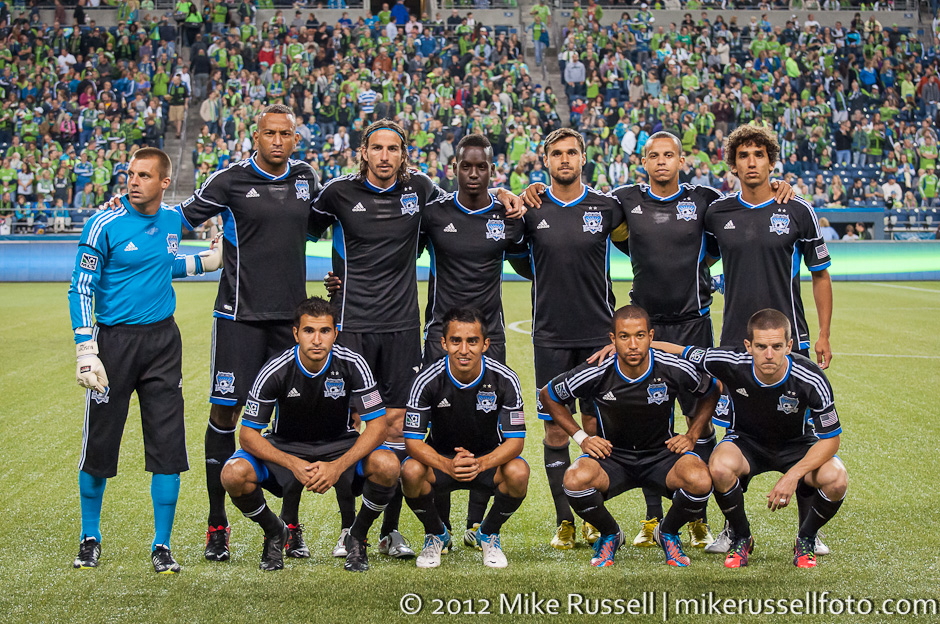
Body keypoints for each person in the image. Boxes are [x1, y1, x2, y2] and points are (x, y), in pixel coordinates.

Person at [310, 120, 523, 560]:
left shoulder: (422, 192)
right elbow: (311, 228)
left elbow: (475, 199)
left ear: (403, 154)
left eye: (393, 149)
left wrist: (509, 193)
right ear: (363, 151)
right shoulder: (339, 192)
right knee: (352, 425)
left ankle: (396, 531)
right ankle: (350, 528)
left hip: (404, 326)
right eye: (377, 148)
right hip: (356, 325)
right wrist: (337, 279)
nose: (385, 156)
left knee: (398, 424)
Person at [170, 103, 323, 562]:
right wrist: (131, 211)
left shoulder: (306, 178)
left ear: (295, 139)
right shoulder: (229, 180)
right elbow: (178, 220)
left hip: (291, 324)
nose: (277, 140)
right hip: (238, 319)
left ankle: (290, 526)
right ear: (255, 137)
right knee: (225, 416)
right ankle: (217, 525)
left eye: (285, 134)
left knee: (292, 422)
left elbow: (330, 223)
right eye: (269, 133)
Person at [68, 148, 222, 573]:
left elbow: (161, 265)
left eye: (144, 175)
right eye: (131, 174)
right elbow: (81, 286)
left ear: (164, 182)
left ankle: (162, 545)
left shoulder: (172, 220)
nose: (133, 182)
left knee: (168, 446)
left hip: (162, 343)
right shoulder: (103, 223)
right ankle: (89, 537)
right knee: (100, 444)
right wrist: (86, 348)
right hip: (113, 343)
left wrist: (205, 262)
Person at [220, 297, 401, 572]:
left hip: (340, 445)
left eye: (324, 331)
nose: (317, 340)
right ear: (296, 334)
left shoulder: (353, 363)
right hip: (286, 445)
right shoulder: (275, 369)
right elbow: (247, 435)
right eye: (309, 331)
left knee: (388, 466)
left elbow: (378, 426)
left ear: (335, 334)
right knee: (233, 474)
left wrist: (337, 466)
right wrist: (293, 463)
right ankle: (275, 531)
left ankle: (357, 535)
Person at [657, 309, 847, 569]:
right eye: (761, 346)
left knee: (837, 478)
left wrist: (793, 476)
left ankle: (806, 538)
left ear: (789, 346)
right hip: (746, 443)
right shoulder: (731, 361)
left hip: (798, 445)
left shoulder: (811, 378)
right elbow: (680, 351)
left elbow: (831, 440)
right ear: (748, 346)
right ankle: (742, 537)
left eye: (777, 346)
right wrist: (625, 348)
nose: (769, 354)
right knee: (719, 467)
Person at [510, 127, 624, 550]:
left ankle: (593, 516)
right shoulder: (530, 209)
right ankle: (564, 522)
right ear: (546, 160)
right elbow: (521, 262)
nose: (564, 159)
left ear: (583, 158)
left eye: (571, 152)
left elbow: (643, 243)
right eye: (556, 153)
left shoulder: (607, 207)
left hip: (598, 338)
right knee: (556, 431)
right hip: (550, 336)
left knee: (594, 426)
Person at [539, 305, 718, 568]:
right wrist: (582, 438)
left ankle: (667, 532)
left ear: (651, 336)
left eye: (640, 336)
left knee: (701, 480)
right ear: (613, 339)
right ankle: (611, 534)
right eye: (624, 336)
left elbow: (712, 389)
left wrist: (692, 435)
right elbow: (549, 394)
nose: (633, 345)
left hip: (661, 455)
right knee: (575, 479)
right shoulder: (598, 370)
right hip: (613, 457)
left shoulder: (671, 366)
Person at [401, 307, 529, 569]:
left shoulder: (505, 378)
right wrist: (447, 465)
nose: (463, 349)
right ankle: (436, 533)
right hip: (441, 462)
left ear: (485, 344)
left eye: (472, 341)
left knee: (518, 472)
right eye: (456, 341)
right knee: (410, 471)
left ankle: (488, 533)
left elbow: (516, 441)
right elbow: (412, 441)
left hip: (487, 462)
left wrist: (481, 463)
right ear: (443, 343)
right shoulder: (426, 380)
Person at [705, 125, 833, 370]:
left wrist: (824, 335)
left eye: (759, 155)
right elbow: (701, 263)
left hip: (788, 339)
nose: (752, 163)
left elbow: (820, 275)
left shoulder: (799, 210)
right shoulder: (717, 213)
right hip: (735, 340)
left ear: (771, 163)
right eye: (743, 156)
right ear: (733, 165)